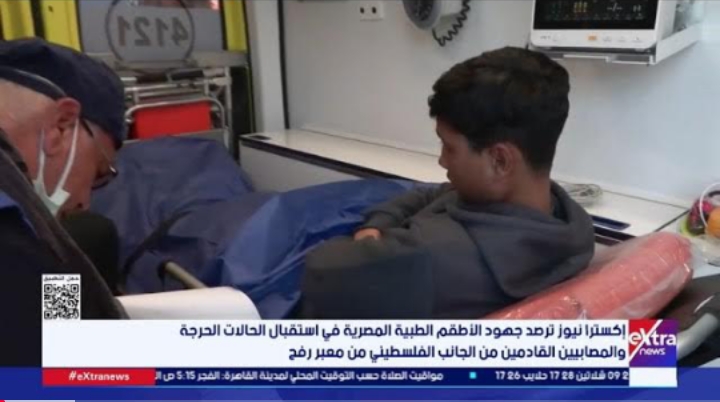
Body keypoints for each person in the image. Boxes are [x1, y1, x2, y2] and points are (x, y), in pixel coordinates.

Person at [300, 47, 596, 319]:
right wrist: (380, 222)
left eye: (449, 147)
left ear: (500, 161)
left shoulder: (428, 259)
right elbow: (436, 193)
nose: (442, 161)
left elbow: (319, 271)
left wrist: (367, 241)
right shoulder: (573, 226)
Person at [0, 38, 127, 366]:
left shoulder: (30, 231)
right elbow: (62, 366)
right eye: (98, 171)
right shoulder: (16, 239)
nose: (85, 202)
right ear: (62, 124)